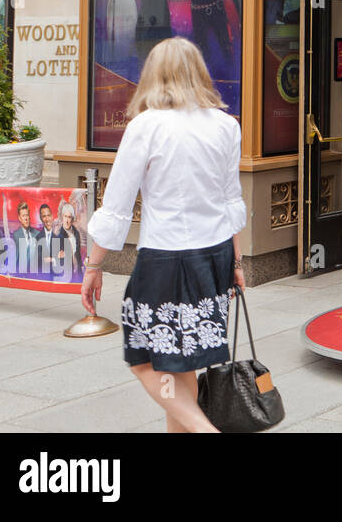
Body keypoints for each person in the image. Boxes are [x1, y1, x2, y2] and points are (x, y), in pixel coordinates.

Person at [81, 37, 246, 433]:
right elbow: (231, 202)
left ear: (153, 74)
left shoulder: (146, 126)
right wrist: (237, 263)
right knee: (181, 360)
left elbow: (117, 206)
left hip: (168, 258)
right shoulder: (226, 125)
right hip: (214, 253)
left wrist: (93, 264)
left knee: (144, 358)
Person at [55, 200, 83, 283]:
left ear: (72, 218)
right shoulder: (58, 235)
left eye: (69, 217)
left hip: (77, 274)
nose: (67, 220)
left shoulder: (76, 233)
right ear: (62, 217)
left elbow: (78, 254)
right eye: (65, 216)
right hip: (65, 275)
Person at [11, 202, 40, 276]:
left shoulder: (37, 234)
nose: (26, 218)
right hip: (21, 276)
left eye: (27, 215)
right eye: (23, 216)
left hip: (36, 275)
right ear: (20, 218)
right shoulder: (15, 235)